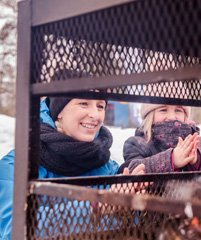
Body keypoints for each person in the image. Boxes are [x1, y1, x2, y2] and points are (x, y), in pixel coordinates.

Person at [0, 96, 145, 239]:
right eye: (83, 103)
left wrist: (132, 202)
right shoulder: (15, 166)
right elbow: (14, 228)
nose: (95, 115)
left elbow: (131, 227)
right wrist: (97, 206)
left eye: (100, 106)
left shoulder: (107, 166)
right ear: (59, 112)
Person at [118, 103, 201, 173]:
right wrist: (171, 160)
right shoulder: (137, 144)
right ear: (150, 115)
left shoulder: (199, 143)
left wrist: (198, 159)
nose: (172, 117)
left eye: (178, 110)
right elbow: (130, 169)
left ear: (185, 116)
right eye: (163, 110)